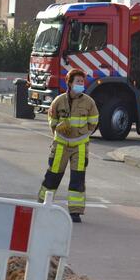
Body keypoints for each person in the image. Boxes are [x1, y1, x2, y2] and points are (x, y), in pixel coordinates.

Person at [38, 69, 98, 223]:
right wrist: (58, 126)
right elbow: (51, 118)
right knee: (53, 175)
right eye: (78, 81)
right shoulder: (58, 100)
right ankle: (43, 204)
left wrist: (83, 133)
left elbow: (94, 122)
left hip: (80, 146)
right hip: (61, 145)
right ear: (69, 83)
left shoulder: (89, 102)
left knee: (78, 178)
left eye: (82, 82)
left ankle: (75, 212)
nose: (80, 84)